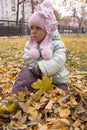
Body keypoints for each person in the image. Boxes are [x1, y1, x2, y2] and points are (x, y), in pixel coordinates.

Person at [11, 0, 69, 93]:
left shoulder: (57, 44)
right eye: (32, 27)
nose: (34, 31)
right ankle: (16, 95)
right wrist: (35, 68)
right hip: (36, 76)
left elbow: (59, 60)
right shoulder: (30, 44)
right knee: (24, 75)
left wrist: (41, 67)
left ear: (47, 30)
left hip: (55, 77)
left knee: (61, 92)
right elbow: (27, 58)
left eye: (38, 28)